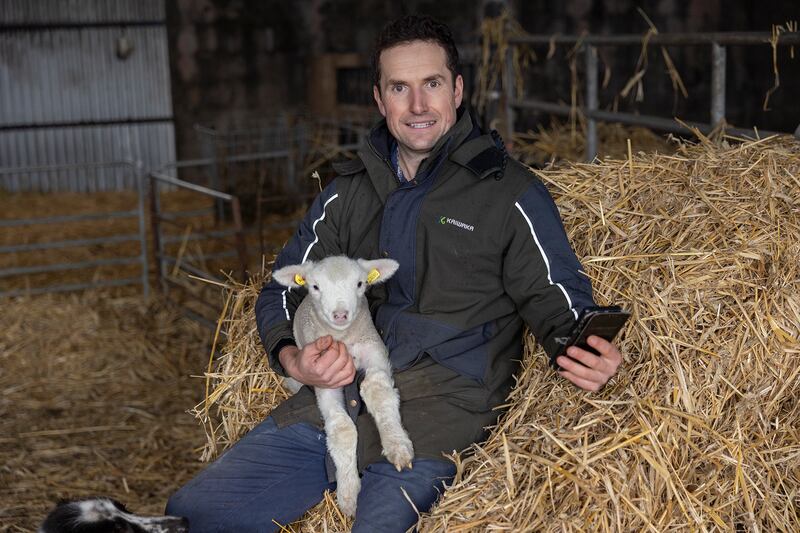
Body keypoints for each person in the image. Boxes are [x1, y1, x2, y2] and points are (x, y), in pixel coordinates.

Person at [166, 14, 622, 532]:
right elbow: (280, 291)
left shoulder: (508, 193)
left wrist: (585, 346)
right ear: (380, 101)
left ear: (457, 89)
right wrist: (295, 360)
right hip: (338, 403)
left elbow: (556, 295)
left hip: (443, 407)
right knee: (193, 516)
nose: (418, 105)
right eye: (399, 89)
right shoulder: (346, 192)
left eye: (431, 84)